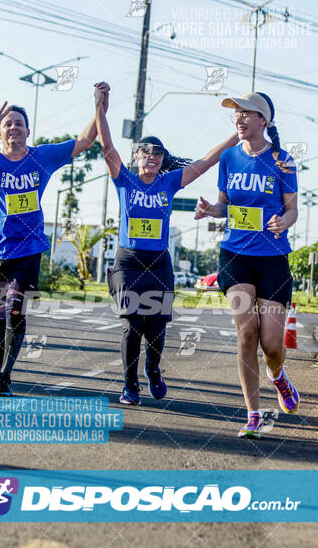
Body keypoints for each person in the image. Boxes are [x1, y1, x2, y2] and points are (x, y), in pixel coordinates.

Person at [0, 83, 110, 396]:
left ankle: (5, 378)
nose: (13, 128)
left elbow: (85, 141)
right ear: (1, 133)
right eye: (7, 124)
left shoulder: (42, 157)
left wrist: (99, 106)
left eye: (18, 124)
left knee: (15, 308)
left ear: (28, 130)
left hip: (28, 250)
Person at [94, 84, 238, 405]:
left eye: (157, 154)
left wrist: (236, 137)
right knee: (132, 326)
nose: (151, 157)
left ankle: (153, 369)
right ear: (136, 156)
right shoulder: (124, 180)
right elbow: (107, 148)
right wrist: (100, 109)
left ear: (163, 160)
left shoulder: (169, 182)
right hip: (128, 263)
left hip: (158, 263)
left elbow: (208, 160)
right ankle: (130, 385)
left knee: (156, 329)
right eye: (145, 152)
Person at [195, 91, 299, 439]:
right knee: (246, 332)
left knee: (271, 344)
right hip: (235, 256)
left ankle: (278, 376)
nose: (239, 119)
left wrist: (285, 221)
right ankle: (253, 414)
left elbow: (292, 208)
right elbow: (226, 204)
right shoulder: (228, 158)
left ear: (264, 121)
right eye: (235, 114)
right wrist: (211, 209)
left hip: (272, 260)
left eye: (246, 113)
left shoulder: (283, 161)